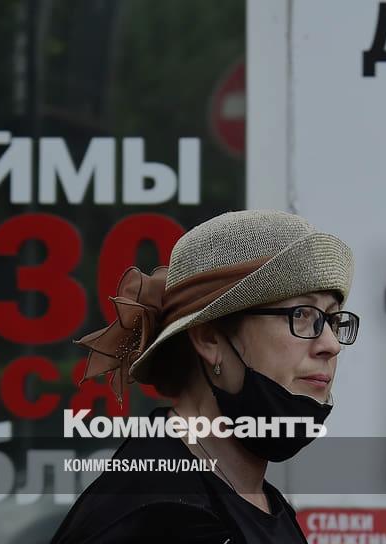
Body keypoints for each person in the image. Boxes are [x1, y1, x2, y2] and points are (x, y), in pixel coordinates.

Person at [51, 209, 358, 543]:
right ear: (209, 338)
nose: (331, 345)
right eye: (302, 314)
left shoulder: (248, 496)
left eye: (333, 320)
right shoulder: (166, 517)